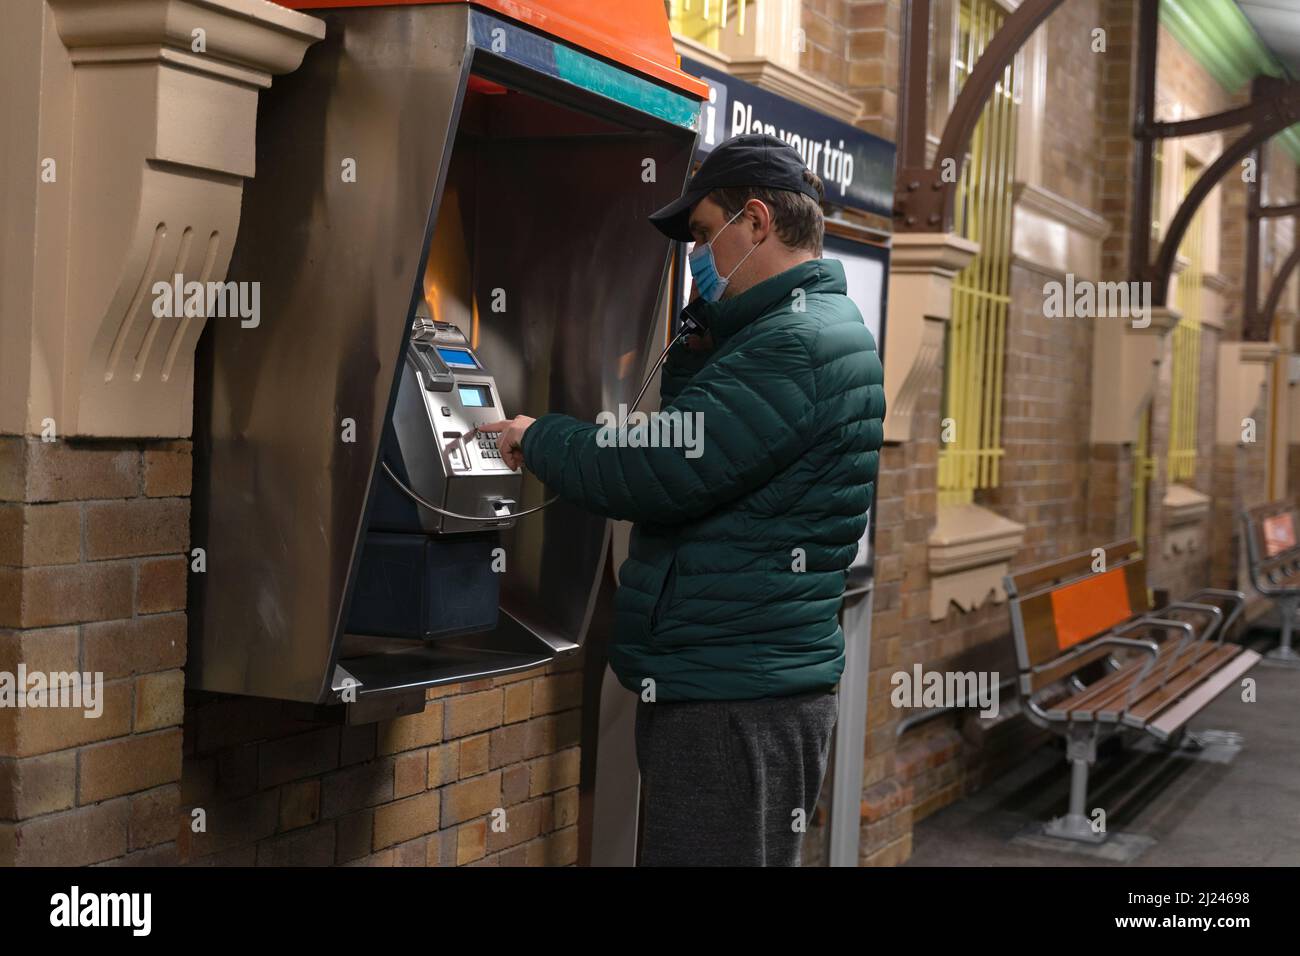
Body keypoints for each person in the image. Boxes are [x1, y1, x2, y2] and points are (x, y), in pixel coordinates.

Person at [480, 132, 885, 866]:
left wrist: (536, 438)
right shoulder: (799, 331)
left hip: (733, 698)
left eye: (704, 234)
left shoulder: (792, 345)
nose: (698, 255)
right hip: (744, 682)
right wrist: (704, 341)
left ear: (756, 222)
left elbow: (657, 468)